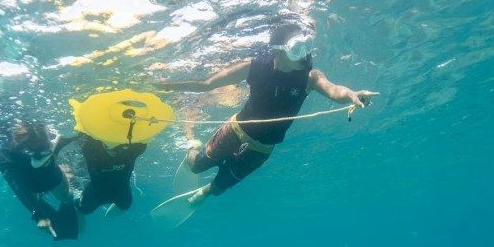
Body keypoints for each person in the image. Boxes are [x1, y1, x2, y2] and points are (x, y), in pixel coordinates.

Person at [156, 22, 378, 205]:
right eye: (297, 46)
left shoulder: (310, 77)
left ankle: (205, 192)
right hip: (234, 132)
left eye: (306, 45)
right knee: (196, 166)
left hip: (260, 150)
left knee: (218, 188)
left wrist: (352, 95)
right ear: (278, 48)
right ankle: (192, 147)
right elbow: (207, 84)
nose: (304, 54)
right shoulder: (254, 67)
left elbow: (334, 90)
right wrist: (170, 86)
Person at [0, 120, 80, 240]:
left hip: (52, 175)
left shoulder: (54, 138)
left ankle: (68, 195)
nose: (39, 157)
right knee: (64, 231)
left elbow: (79, 134)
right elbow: (19, 188)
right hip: (29, 183)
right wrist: (38, 214)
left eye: (44, 151)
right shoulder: (6, 156)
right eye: (33, 153)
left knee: (66, 198)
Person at [59, 133, 147, 215]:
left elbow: (144, 138)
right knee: (84, 210)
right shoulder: (92, 150)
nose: (117, 149)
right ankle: (75, 195)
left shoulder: (132, 151)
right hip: (96, 193)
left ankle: (75, 196)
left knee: (125, 205)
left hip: (119, 192)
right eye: (112, 146)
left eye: (120, 146)